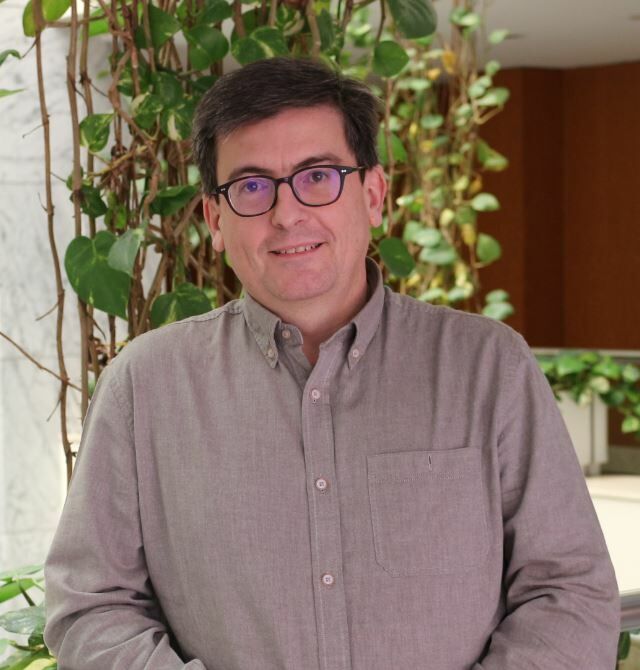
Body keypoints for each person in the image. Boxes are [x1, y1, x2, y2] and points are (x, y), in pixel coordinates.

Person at [44, 57, 620, 670]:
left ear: (373, 196)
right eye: (252, 186)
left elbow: (569, 592)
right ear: (215, 220)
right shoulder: (145, 386)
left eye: (318, 176)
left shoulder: (487, 368)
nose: (287, 213)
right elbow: (90, 605)